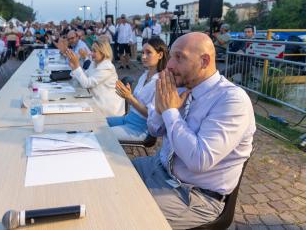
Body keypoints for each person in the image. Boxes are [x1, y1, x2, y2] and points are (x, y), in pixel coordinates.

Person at [132, 32, 256, 229]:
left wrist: (171, 112)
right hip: (158, 167)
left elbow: (200, 159)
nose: (170, 65)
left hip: (195, 194)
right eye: (171, 56)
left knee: (122, 211)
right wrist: (161, 102)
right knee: (109, 176)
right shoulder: (182, 87)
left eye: (179, 57)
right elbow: (154, 130)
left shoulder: (231, 100)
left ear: (204, 61)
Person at [107, 37, 168, 141]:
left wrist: (130, 98)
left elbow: (152, 115)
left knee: (102, 135)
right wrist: (126, 96)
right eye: (143, 52)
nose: (143, 56)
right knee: (98, 124)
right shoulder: (144, 75)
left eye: (148, 53)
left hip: (141, 129)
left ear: (160, 55)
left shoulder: (161, 82)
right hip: (128, 118)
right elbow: (135, 103)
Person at [65, 39, 124, 117]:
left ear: (103, 53)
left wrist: (76, 65)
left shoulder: (107, 67)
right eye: (91, 50)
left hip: (108, 107)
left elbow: (87, 84)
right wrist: (74, 67)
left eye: (94, 51)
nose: (90, 53)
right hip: (98, 101)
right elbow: (85, 76)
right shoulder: (95, 63)